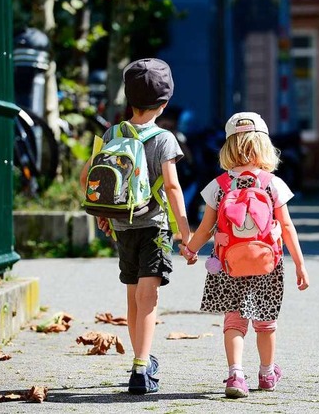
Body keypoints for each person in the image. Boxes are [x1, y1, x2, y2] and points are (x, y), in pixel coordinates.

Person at [79, 58, 192, 395]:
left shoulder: (112, 133)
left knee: (132, 296)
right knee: (149, 296)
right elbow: (172, 188)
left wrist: (103, 210)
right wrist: (186, 234)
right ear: (165, 102)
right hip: (154, 227)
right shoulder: (165, 139)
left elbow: (87, 177)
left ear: (129, 100)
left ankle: (139, 359)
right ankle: (142, 369)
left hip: (122, 228)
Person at [179, 112, 309, 398]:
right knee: (266, 323)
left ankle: (236, 375)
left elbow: (205, 228)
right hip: (267, 264)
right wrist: (300, 265)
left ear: (228, 148)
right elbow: (287, 227)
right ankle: (266, 373)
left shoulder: (219, 185)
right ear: (264, 147)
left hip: (228, 263)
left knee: (234, 322)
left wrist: (190, 250)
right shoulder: (272, 184)